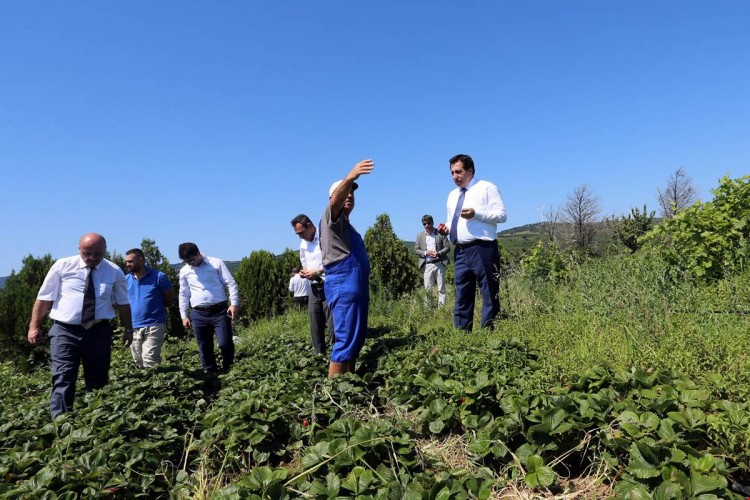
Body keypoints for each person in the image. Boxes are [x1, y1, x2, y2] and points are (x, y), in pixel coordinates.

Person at [27, 233, 133, 417]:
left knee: (98, 378)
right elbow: (45, 298)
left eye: (97, 254)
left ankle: (95, 422)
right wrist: (34, 326)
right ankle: (60, 424)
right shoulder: (63, 266)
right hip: (64, 331)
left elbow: (123, 303)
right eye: (87, 253)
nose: (92, 258)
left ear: (105, 251)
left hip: (98, 331)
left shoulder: (114, 271)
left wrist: (128, 329)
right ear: (79, 249)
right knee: (63, 376)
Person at [437, 154, 507, 330]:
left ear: (470, 170)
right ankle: (462, 336)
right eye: (452, 173)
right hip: (460, 251)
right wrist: (446, 228)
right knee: (462, 295)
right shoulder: (452, 195)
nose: (455, 177)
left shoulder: (487, 188)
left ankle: (488, 336)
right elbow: (452, 221)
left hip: (482, 248)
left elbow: (502, 215)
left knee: (489, 294)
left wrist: (476, 213)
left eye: (458, 172)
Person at [320, 159, 374, 377]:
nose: (350, 194)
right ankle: (331, 396)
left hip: (355, 287)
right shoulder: (331, 218)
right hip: (344, 285)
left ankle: (348, 386)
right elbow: (335, 203)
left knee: (354, 339)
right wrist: (350, 176)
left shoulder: (346, 225)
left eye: (353, 192)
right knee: (344, 340)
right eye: (346, 192)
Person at [178, 243, 239, 374]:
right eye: (187, 262)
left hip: (219, 311)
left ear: (197, 253)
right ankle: (210, 375)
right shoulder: (184, 271)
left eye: (191, 260)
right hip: (198, 313)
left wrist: (233, 304)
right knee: (204, 346)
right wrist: (184, 315)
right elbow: (183, 294)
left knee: (224, 343)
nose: (190, 263)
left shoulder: (216, 263)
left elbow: (231, 284)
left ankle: (229, 370)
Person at [291, 214, 335, 356]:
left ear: (310, 226)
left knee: (333, 323)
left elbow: (332, 259)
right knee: (315, 324)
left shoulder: (324, 237)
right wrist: (305, 272)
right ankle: (319, 356)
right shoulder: (303, 244)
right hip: (313, 287)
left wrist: (318, 271)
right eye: (298, 234)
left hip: (328, 284)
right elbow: (304, 262)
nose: (300, 236)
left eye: (301, 233)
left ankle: (337, 356)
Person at [124, 248, 175, 368]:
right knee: (138, 361)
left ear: (141, 260)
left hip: (154, 324)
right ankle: (145, 385)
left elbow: (169, 297)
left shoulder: (159, 277)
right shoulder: (125, 280)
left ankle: (155, 385)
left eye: (130, 261)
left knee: (150, 360)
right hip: (134, 325)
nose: (127, 264)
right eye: (126, 261)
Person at [414, 214, 450, 306]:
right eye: (424, 224)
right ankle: (428, 311)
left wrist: (438, 253)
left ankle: (441, 311)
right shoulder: (420, 236)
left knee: (441, 289)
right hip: (427, 264)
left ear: (433, 222)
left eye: (428, 223)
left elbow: (447, 247)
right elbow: (416, 250)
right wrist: (426, 253)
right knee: (428, 289)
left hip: (439, 263)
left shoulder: (440, 233)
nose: (426, 225)